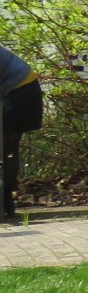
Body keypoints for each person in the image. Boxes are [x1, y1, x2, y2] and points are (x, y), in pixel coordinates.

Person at [0, 41, 41, 225]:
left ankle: (5, 200)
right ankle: (6, 202)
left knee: (6, 148)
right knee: (8, 148)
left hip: (21, 92)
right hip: (23, 89)